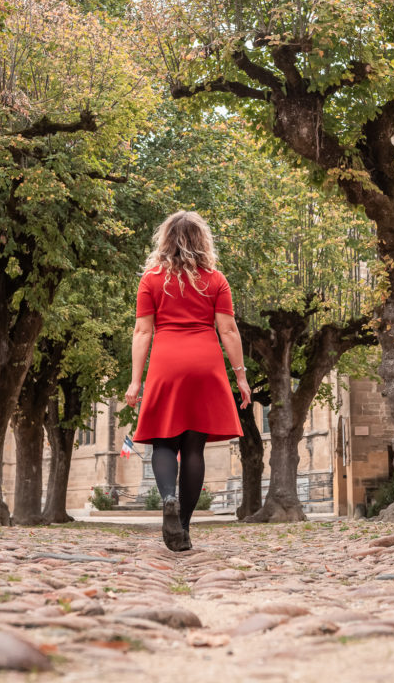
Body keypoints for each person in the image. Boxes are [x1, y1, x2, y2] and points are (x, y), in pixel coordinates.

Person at [125, 211, 251, 552]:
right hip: (205, 366)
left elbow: (142, 332)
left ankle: (168, 498)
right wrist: (240, 376)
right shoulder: (215, 280)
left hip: (167, 365)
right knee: (194, 449)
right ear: (202, 241)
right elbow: (227, 330)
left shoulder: (151, 279)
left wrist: (135, 381)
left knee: (163, 443)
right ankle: (182, 527)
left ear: (165, 240)